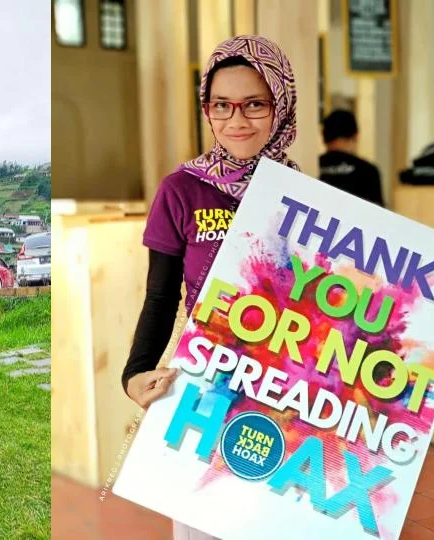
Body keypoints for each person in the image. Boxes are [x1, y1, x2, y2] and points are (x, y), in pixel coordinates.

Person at [120, 35, 299, 540]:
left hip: (293, 389)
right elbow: (160, 297)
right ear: (207, 109)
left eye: (254, 104)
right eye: (221, 105)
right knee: (207, 523)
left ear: (280, 105)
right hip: (207, 383)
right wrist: (134, 374)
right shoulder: (181, 190)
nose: (236, 120)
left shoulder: (308, 196)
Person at [318, 109, 385, 206]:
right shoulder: (368, 172)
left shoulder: (312, 167)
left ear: (323, 137)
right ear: (356, 136)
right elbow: (378, 216)